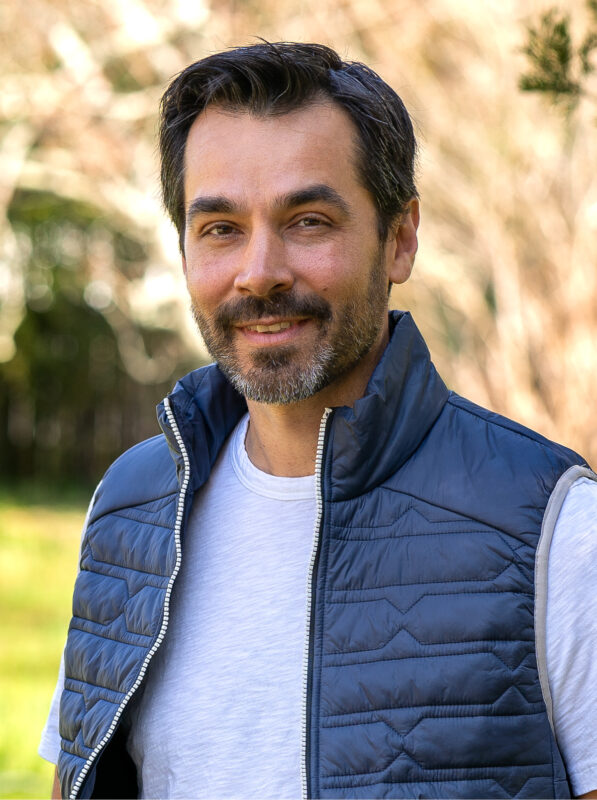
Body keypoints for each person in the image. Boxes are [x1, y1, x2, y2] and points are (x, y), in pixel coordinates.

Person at [39, 42, 597, 800]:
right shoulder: (131, 509)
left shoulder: (553, 527)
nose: (259, 270)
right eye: (220, 228)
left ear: (399, 239)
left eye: (306, 221)